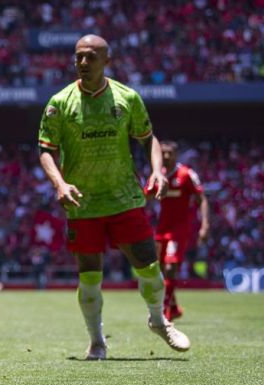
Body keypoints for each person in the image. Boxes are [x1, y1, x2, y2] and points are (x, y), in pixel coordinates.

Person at [37, 35, 190, 360]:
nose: (83, 63)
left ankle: (158, 320)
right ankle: (97, 341)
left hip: (124, 199)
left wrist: (157, 170)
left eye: (91, 56)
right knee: (90, 275)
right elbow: (46, 151)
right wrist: (60, 185)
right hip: (83, 204)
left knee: (149, 267)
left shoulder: (127, 97)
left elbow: (148, 139)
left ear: (107, 60)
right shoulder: (59, 103)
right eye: (78, 56)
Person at [146, 140, 209, 321]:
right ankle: (173, 307)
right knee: (160, 271)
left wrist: (205, 225)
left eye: (169, 153)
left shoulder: (186, 175)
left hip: (179, 230)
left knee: (170, 266)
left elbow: (202, 199)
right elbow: (146, 196)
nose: (165, 156)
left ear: (176, 155)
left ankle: (165, 311)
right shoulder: (159, 176)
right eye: (163, 153)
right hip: (161, 230)